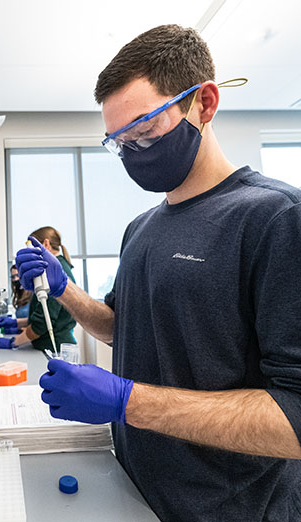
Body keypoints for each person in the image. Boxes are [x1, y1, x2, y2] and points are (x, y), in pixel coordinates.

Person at [16, 25, 301, 522]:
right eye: (119, 141)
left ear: (204, 104)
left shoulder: (273, 218)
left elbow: (295, 418)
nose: (132, 152)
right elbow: (121, 325)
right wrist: (64, 289)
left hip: (226, 508)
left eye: (144, 131)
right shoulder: (140, 229)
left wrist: (129, 401)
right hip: (136, 490)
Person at [0, 227, 77, 352]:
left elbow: (42, 323)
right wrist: (16, 323)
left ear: (46, 244)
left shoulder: (53, 272)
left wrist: (13, 342)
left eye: (31, 247)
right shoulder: (56, 267)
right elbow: (44, 314)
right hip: (51, 345)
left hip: (54, 347)